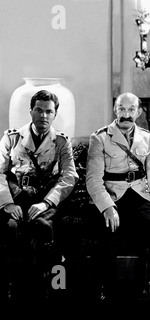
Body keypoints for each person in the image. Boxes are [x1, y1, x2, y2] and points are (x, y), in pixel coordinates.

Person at [86, 92, 150, 302]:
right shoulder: (100, 137)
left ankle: (146, 287)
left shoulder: (146, 137)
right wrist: (106, 207)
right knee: (106, 232)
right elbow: (93, 179)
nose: (126, 114)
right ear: (115, 110)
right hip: (113, 195)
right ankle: (105, 288)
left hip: (139, 194)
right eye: (122, 109)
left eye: (131, 110)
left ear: (139, 112)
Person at [0, 90, 78, 302]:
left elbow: (70, 175)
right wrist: (7, 203)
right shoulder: (12, 137)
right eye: (38, 110)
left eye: (48, 111)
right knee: (11, 230)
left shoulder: (61, 142)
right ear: (31, 111)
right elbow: (0, 172)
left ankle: (52, 289)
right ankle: (12, 288)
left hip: (46, 199)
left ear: (55, 114)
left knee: (45, 230)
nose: (43, 115)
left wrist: (46, 203)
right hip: (17, 197)